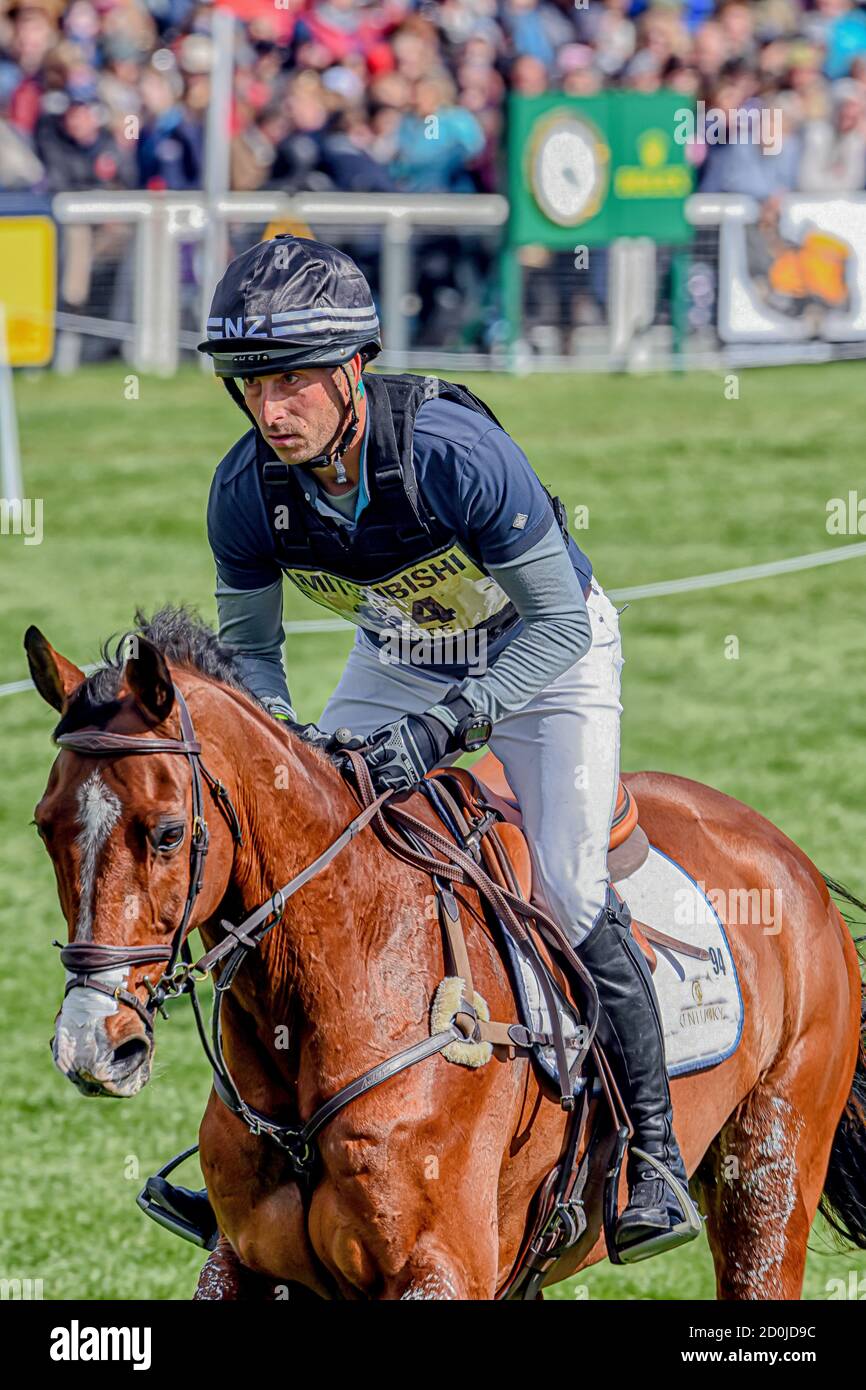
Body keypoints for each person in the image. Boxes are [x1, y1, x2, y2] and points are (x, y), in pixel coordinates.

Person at [150, 235, 700, 1264]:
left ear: (353, 368)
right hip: (399, 653)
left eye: (295, 383)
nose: (273, 411)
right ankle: (251, 1149)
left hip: (545, 657)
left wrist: (451, 723)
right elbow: (255, 656)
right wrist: (288, 746)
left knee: (572, 889)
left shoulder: (451, 451)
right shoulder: (245, 491)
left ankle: (652, 1154)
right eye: (253, 386)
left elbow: (555, 627)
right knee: (291, 874)